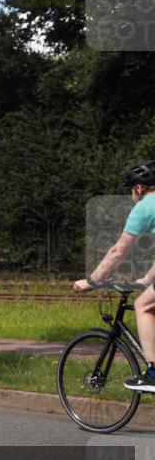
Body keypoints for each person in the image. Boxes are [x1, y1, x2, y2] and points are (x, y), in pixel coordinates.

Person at [73, 160, 155, 392]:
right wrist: (145, 281)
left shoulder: (145, 206)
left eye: (131, 188)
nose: (131, 194)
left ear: (139, 188)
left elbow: (119, 250)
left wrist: (92, 281)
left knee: (143, 306)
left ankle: (153, 374)